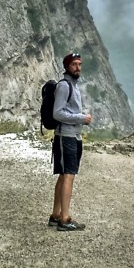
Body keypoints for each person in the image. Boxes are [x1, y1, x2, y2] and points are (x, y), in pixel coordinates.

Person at [49, 52, 92, 231]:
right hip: (66, 136)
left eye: (79, 64)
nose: (78, 68)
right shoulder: (64, 86)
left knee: (64, 175)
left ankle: (56, 215)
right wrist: (81, 118)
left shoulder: (73, 85)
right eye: (74, 64)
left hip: (73, 136)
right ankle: (65, 219)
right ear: (67, 66)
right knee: (69, 175)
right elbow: (57, 113)